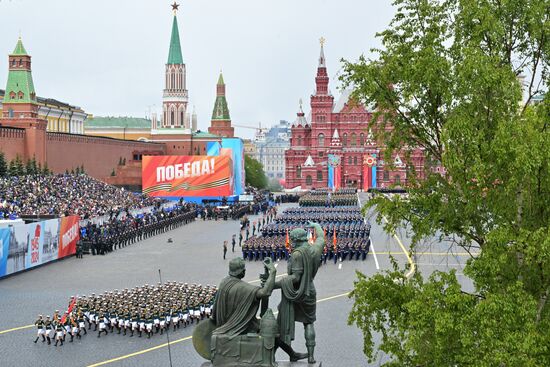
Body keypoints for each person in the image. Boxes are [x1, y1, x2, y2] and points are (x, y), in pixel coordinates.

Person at [274, 222, 325, 364]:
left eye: (291, 239)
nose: (290, 242)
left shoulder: (297, 254)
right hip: (310, 290)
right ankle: (310, 356)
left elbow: (295, 278)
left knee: (281, 323)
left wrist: (275, 284)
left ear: (297, 240)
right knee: (309, 323)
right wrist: (316, 225)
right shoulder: (315, 248)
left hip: (296, 293)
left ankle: (271, 354)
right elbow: (321, 236)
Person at [211, 257, 277, 338]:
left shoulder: (224, 282)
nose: (245, 270)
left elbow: (215, 306)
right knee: (274, 332)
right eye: (244, 269)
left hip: (224, 323)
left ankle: (291, 351)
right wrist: (273, 272)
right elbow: (265, 292)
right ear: (242, 271)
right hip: (237, 326)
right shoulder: (243, 288)